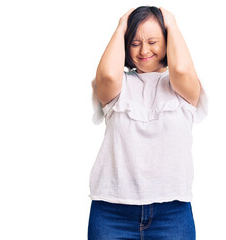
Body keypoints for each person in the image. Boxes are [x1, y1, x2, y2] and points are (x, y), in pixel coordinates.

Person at [88, 6, 208, 240]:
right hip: (112, 211)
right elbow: (108, 76)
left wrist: (171, 22)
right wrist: (122, 24)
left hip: (172, 212)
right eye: (134, 43)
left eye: (153, 41)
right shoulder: (118, 85)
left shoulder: (183, 87)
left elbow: (181, 68)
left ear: (168, 42)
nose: (144, 50)